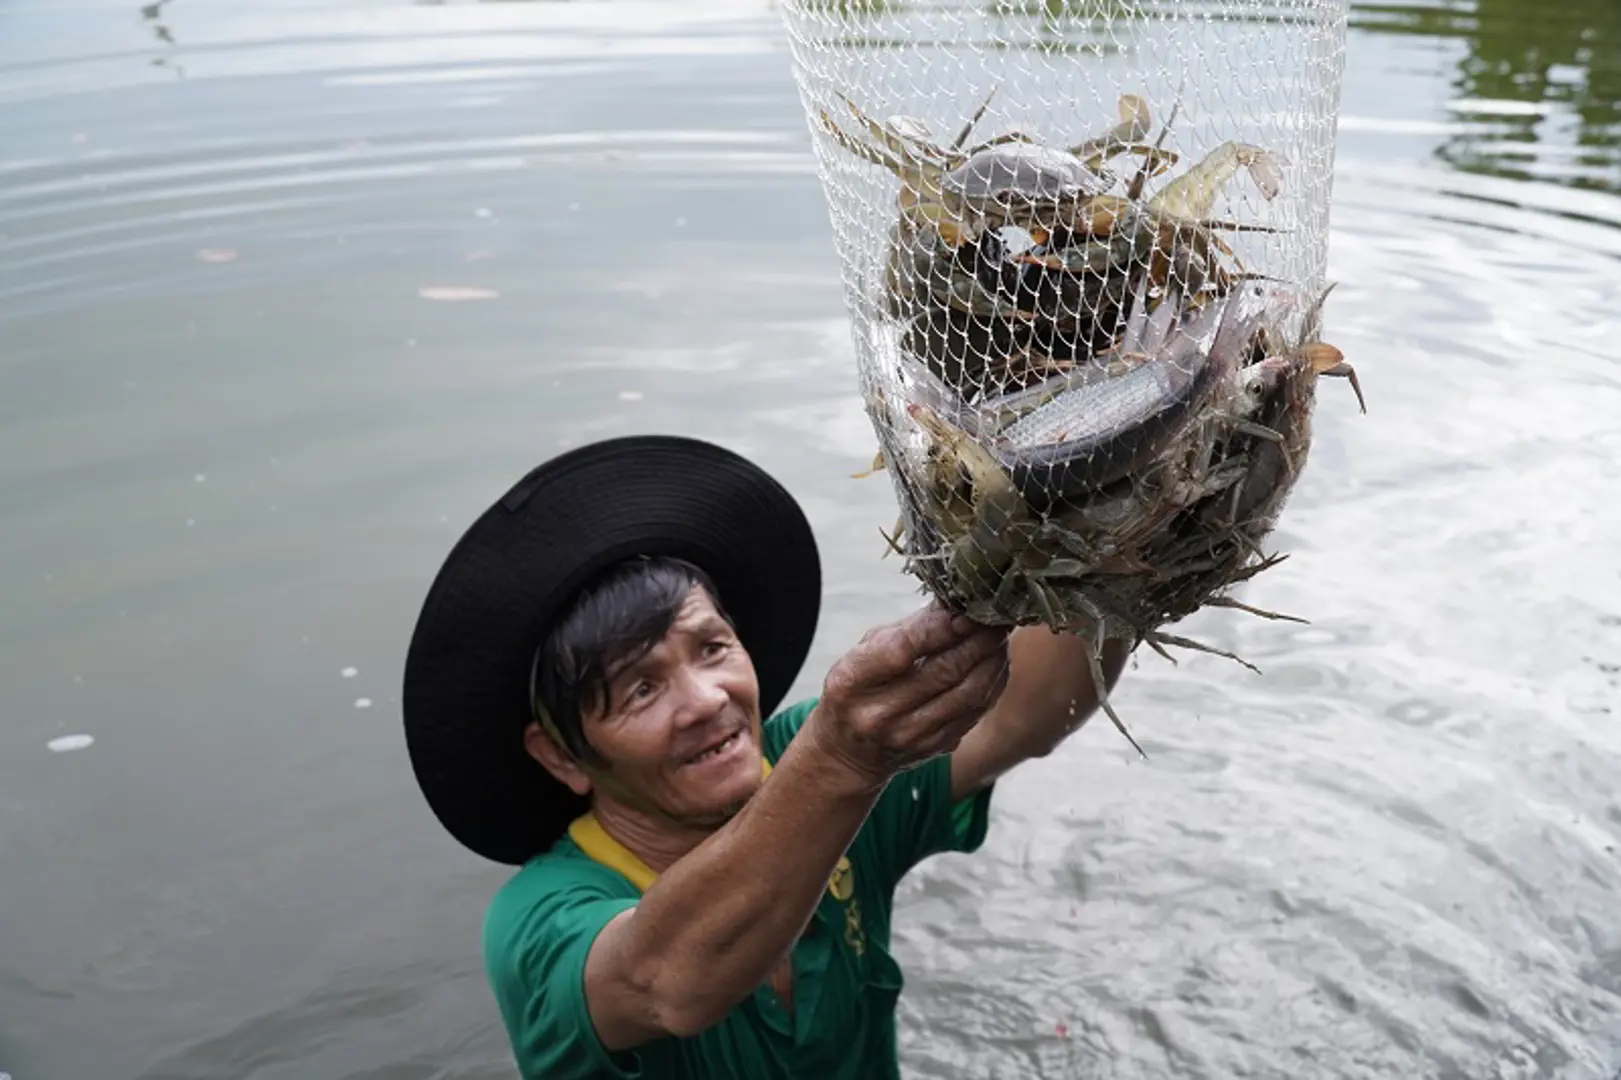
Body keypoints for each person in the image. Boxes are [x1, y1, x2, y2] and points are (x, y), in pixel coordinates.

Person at [402, 434, 1129, 1080]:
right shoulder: (538, 919)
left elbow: (1022, 716)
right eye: (640, 690)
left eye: (712, 647)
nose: (707, 700)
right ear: (561, 755)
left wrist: (1125, 537)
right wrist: (844, 756)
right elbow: (665, 983)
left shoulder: (809, 763)